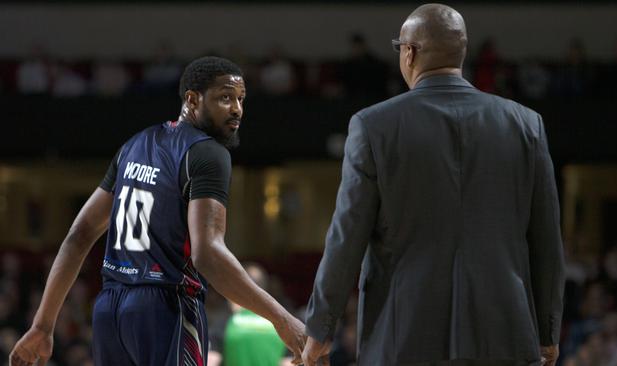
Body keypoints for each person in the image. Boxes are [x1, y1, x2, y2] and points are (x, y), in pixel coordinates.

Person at [302, 4, 565, 366]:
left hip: (403, 337)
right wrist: (549, 331)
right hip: (505, 335)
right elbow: (547, 240)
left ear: (408, 52)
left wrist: (320, 328)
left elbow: (347, 235)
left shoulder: (373, 126)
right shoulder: (526, 124)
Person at [9, 56, 305, 366]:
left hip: (110, 311)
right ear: (192, 99)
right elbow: (208, 255)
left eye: (241, 99)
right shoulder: (208, 153)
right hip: (167, 308)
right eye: (225, 97)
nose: (236, 109)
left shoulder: (134, 144)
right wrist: (282, 319)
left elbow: (78, 235)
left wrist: (42, 325)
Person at [222, 263, 290, 366]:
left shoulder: (226, 323)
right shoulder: (282, 325)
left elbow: (211, 360)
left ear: (236, 290)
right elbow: (288, 363)